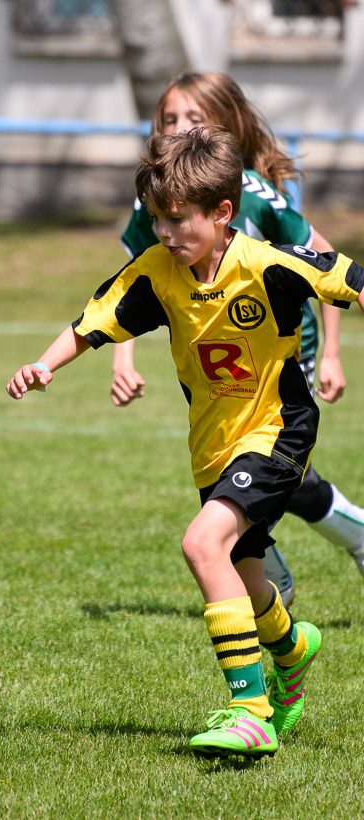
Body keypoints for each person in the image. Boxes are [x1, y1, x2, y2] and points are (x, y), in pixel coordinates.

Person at [6, 127, 364, 757]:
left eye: (177, 221)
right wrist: (42, 365)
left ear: (222, 212)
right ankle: (293, 646)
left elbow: (344, 275)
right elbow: (93, 320)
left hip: (278, 429)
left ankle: (249, 709)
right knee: (245, 573)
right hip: (212, 443)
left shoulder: (264, 264)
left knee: (201, 543)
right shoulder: (156, 273)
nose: (165, 235)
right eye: (156, 221)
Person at [110, 72, 364, 605]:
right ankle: (287, 563)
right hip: (219, 364)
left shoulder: (252, 192)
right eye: (170, 118)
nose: (179, 127)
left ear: (225, 126)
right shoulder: (153, 201)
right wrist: (122, 359)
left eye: (194, 118)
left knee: (263, 464)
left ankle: (269, 577)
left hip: (281, 350)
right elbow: (132, 283)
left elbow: (324, 261)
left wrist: (333, 354)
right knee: (265, 472)